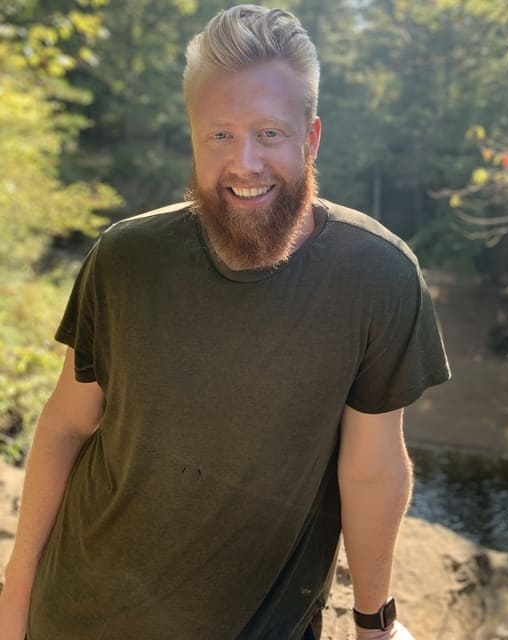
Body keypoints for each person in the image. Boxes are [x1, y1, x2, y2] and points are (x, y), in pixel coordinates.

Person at [0, 4, 450, 639]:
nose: (245, 163)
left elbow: (373, 468)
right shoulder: (125, 258)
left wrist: (374, 621)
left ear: (310, 138)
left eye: (269, 133)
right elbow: (67, 425)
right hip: (76, 615)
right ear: (193, 138)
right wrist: (15, 593)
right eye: (220, 135)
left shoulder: (377, 277)